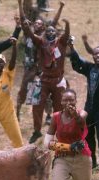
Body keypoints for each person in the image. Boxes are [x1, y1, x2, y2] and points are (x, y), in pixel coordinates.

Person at [69, 42, 99, 180]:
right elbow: (79, 61)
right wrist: (72, 48)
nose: (97, 55)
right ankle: (93, 163)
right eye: (95, 53)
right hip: (89, 109)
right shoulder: (90, 68)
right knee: (88, 137)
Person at [21, 7, 70, 143]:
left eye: (52, 31)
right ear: (45, 33)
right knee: (36, 104)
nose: (50, 32)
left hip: (57, 80)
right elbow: (31, 35)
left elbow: (66, 34)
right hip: (42, 78)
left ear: (56, 33)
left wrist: (67, 24)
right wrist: (27, 27)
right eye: (48, 31)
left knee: (59, 107)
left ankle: (61, 131)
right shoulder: (41, 42)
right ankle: (36, 131)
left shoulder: (61, 43)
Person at [16, 0, 65, 123]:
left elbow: (53, 22)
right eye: (35, 23)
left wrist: (60, 8)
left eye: (40, 23)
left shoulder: (45, 37)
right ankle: (17, 110)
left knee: (42, 93)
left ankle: (48, 115)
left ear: (43, 26)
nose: (37, 25)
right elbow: (23, 19)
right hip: (29, 69)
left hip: (41, 70)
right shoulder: (28, 34)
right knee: (23, 90)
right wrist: (19, 4)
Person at [44, 89, 91, 180]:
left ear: (76, 101)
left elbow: (81, 121)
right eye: (65, 100)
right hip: (62, 158)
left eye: (71, 100)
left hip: (81, 158)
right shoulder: (56, 117)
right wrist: (69, 147)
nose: (68, 103)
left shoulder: (82, 113)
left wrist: (76, 115)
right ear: (61, 101)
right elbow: (47, 143)